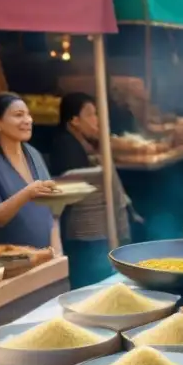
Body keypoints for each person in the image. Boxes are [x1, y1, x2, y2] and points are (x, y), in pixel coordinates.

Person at [51, 93, 134, 287]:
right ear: (74, 120)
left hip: (95, 230)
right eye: (90, 114)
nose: (96, 119)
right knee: (91, 282)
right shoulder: (66, 145)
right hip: (83, 230)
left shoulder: (88, 144)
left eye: (96, 113)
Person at [0, 93, 57, 249]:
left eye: (28, 115)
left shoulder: (34, 154)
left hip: (47, 256)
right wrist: (27, 193)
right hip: (9, 262)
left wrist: (57, 252)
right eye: (18, 115)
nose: (28, 120)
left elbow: (52, 210)